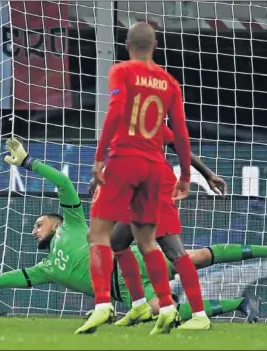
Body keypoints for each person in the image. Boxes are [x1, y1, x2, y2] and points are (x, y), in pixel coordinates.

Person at [0, 138, 263, 324]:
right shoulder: (46, 270)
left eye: (38, 223)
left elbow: (60, 181)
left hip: (130, 259)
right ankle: (238, 303)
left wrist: (29, 163)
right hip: (126, 291)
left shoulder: (72, 222)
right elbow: (3, 280)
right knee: (166, 311)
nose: (34, 230)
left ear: (55, 220)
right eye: (33, 229)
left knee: (198, 256)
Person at [81, 22, 193, 335]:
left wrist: (100, 156)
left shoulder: (122, 71)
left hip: (125, 160)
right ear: (154, 44)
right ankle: (167, 307)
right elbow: (181, 133)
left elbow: (116, 111)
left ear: (127, 44)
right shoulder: (169, 81)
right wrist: (184, 174)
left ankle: (103, 303)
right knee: (146, 240)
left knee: (98, 234)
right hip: (155, 166)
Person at [100, 124, 226, 330]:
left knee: (175, 252)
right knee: (118, 241)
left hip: (155, 189)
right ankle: (140, 306)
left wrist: (207, 174)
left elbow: (180, 147)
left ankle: (200, 316)